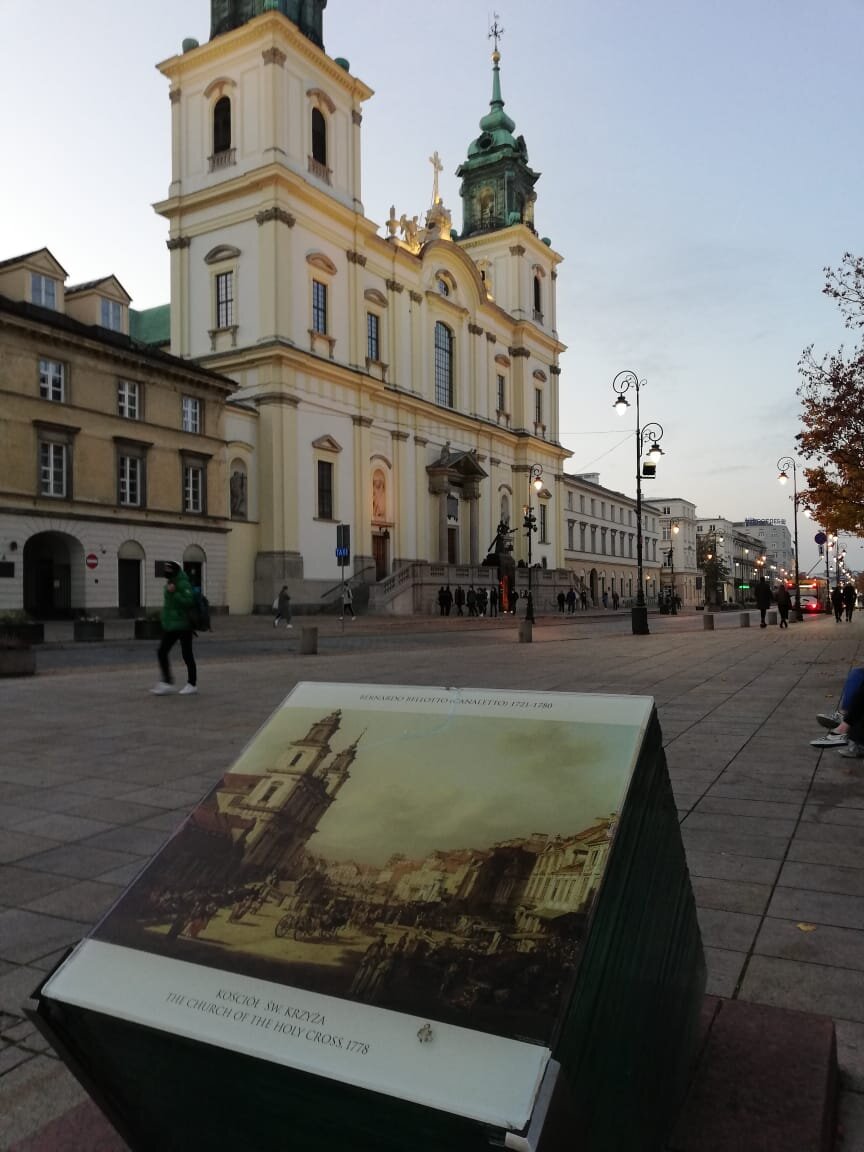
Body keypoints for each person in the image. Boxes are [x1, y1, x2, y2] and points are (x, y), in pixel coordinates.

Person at [151, 561, 197, 695]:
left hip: (183, 625)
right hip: (172, 625)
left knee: (187, 654)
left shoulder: (183, 583)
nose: (166, 572)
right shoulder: (170, 582)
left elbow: (189, 601)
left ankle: (192, 684)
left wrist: (175, 593)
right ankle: (167, 681)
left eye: (168, 569)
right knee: (162, 651)